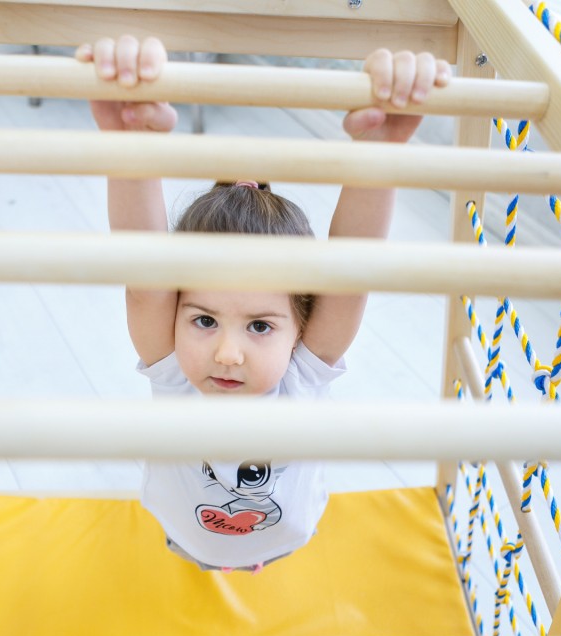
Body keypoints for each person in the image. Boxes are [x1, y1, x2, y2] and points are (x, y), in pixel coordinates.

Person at [77, 36, 451, 573]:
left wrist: (381, 150)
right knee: (194, 552)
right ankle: (213, 559)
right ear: (175, 311)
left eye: (259, 325)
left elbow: (351, 274)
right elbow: (145, 277)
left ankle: (250, 559)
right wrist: (130, 143)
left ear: (302, 326)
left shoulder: (302, 374)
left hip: (288, 536)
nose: (227, 352)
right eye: (204, 319)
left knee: (261, 549)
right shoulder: (175, 372)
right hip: (183, 534)